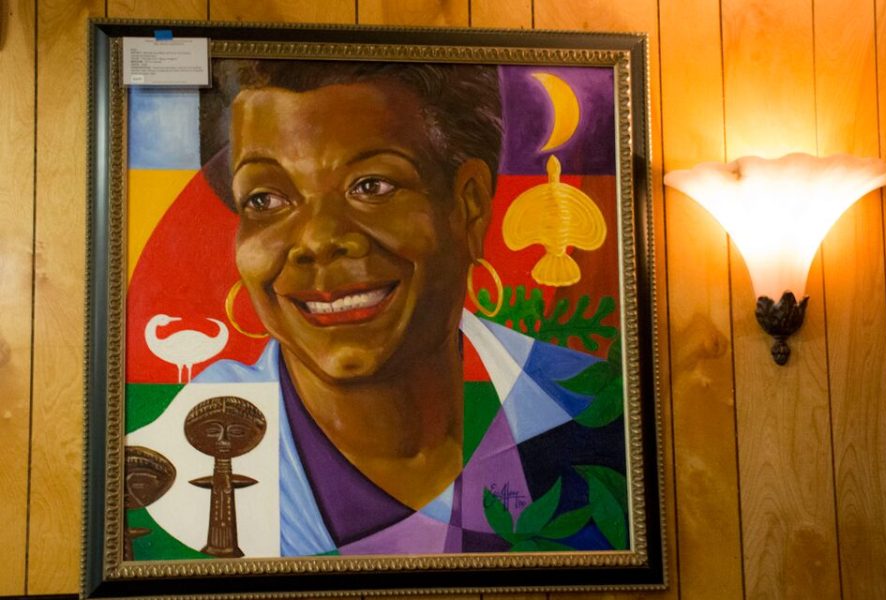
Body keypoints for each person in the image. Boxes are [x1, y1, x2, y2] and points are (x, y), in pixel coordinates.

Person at [128, 60, 628, 557]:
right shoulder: (156, 478)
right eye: (264, 200)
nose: (319, 239)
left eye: (372, 186)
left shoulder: (596, 417)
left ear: (469, 206)